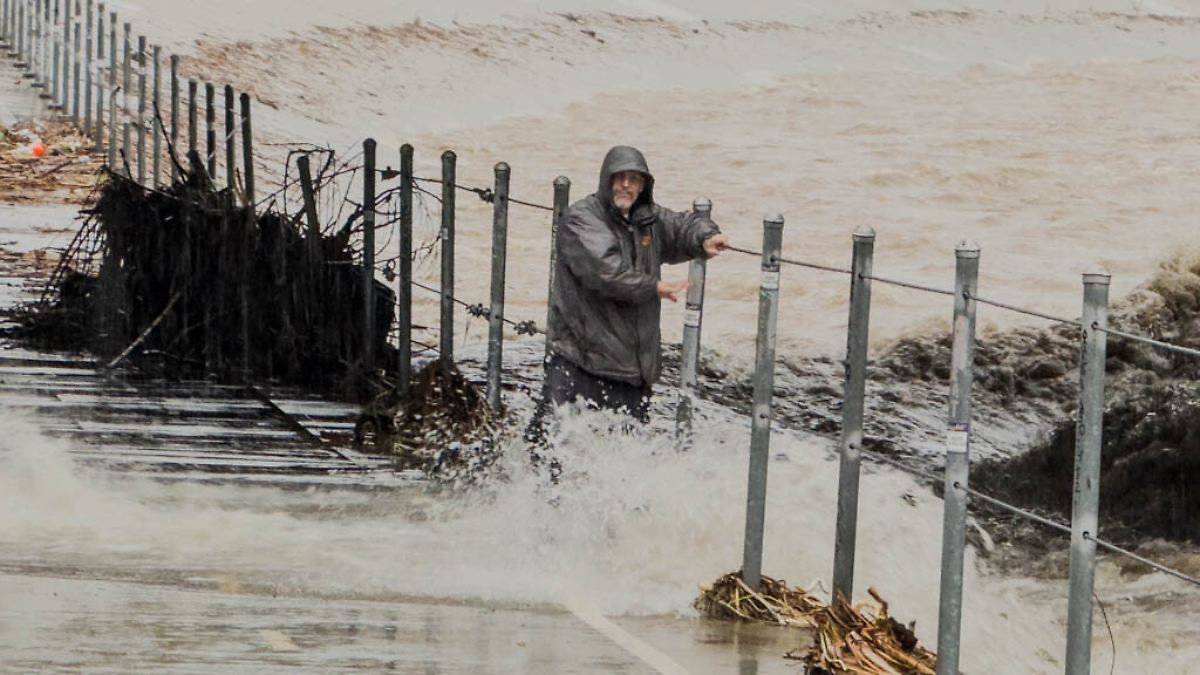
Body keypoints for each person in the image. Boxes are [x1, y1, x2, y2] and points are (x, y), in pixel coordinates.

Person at [527, 145, 729, 441]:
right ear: (605, 180)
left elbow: (683, 225)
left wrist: (706, 237)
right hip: (581, 363)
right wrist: (654, 286)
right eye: (619, 178)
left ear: (643, 186)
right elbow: (606, 272)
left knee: (619, 463)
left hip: (632, 373)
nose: (626, 185)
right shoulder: (581, 219)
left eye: (634, 179)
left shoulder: (647, 219)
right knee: (547, 451)